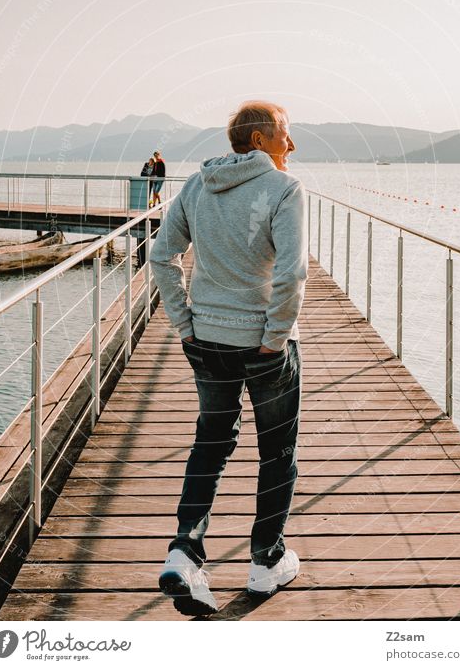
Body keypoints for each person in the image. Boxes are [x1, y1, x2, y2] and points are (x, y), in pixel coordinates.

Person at [150, 101, 308, 617]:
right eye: (286, 133)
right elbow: (291, 274)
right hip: (264, 346)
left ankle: (184, 552)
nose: (293, 144)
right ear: (261, 140)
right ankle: (266, 560)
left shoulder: (197, 186)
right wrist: (275, 336)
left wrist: (185, 322)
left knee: (211, 444)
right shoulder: (283, 189)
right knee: (276, 451)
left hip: (208, 342)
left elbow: (160, 253)